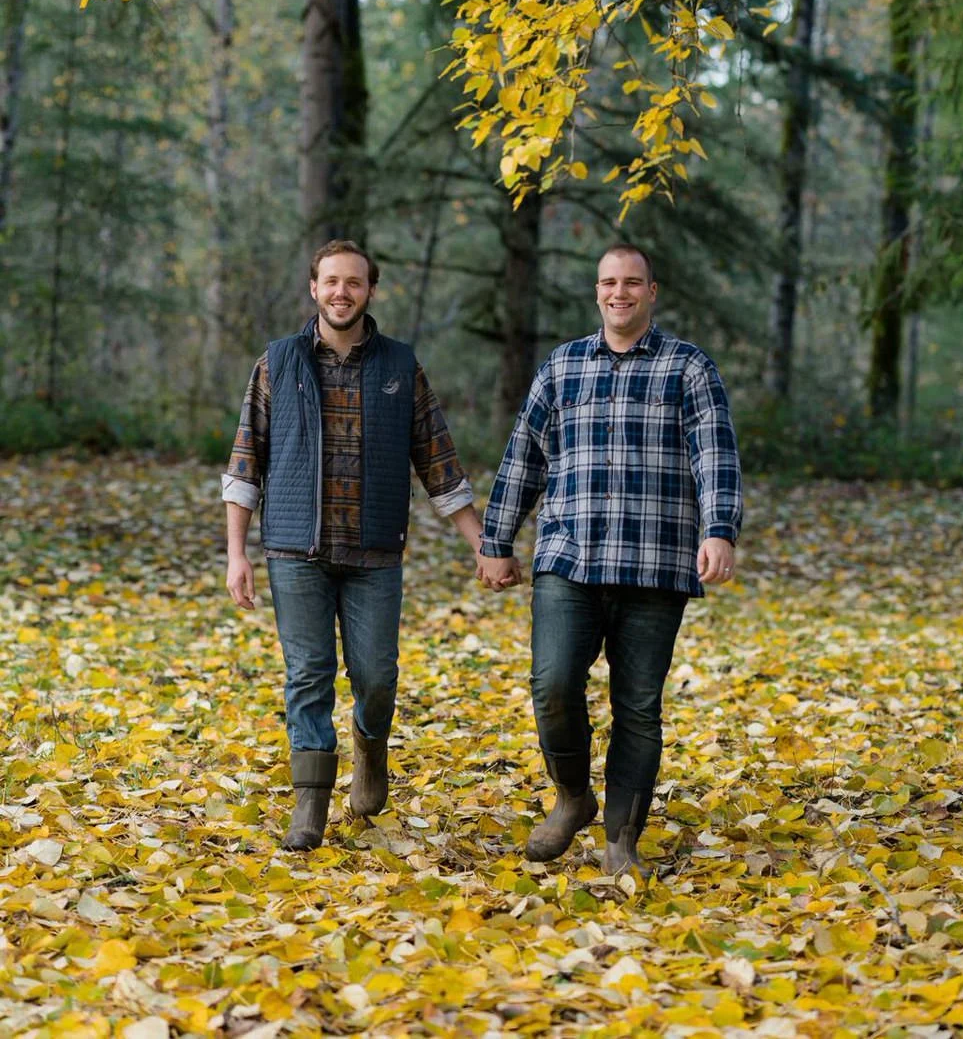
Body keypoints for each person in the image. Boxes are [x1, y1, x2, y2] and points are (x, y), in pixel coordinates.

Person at [223, 239, 500, 852]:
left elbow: (440, 463)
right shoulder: (277, 362)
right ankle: (310, 805)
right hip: (297, 552)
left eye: (354, 282)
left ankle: (370, 755)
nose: (341, 292)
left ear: (370, 290)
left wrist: (481, 542)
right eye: (330, 281)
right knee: (308, 675)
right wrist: (237, 553)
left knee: (376, 677)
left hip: (375, 554)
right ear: (313, 289)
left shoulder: (400, 367)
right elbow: (245, 464)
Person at [479, 243, 742, 876]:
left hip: (655, 564)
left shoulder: (688, 368)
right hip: (569, 557)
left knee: (639, 707)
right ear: (596, 291)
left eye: (631, 283)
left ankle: (621, 842)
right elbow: (524, 457)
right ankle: (573, 798)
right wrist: (496, 541)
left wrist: (720, 529)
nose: (618, 293)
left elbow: (715, 453)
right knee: (553, 685)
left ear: (652, 291)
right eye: (607, 282)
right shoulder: (563, 367)